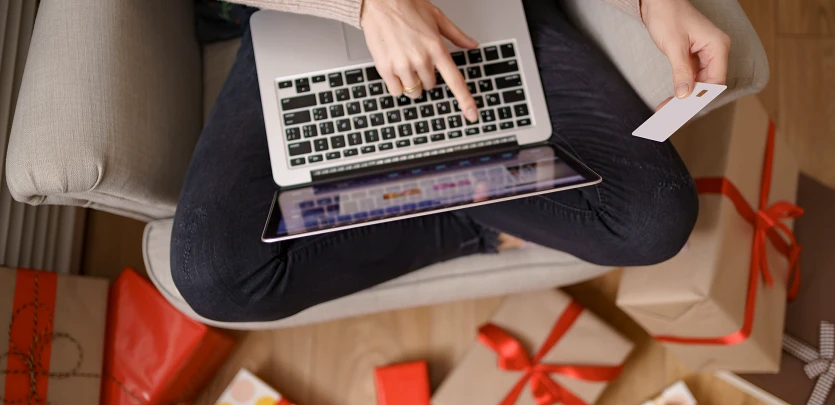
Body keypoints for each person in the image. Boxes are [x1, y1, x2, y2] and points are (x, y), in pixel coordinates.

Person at [171, 0, 731, 322]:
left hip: (485, 8)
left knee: (655, 224)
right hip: (310, 15)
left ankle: (461, 204)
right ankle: (477, 212)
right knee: (214, 278)